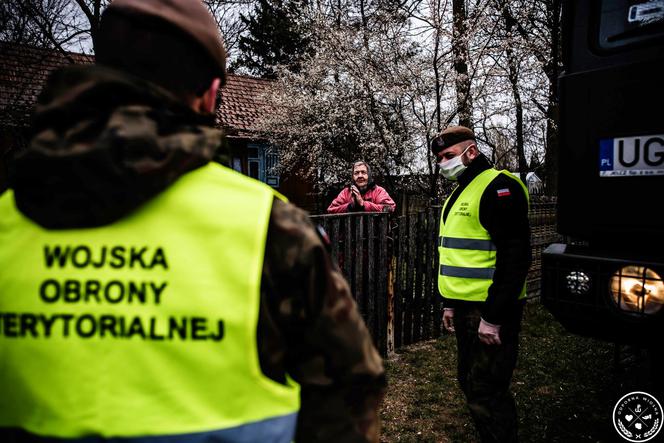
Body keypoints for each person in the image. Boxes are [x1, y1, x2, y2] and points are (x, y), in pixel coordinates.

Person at [0, 1, 386, 441]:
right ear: (210, 92)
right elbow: (348, 390)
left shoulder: (7, 223)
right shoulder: (270, 227)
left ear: (102, 69)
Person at [431, 125, 531, 442]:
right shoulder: (462, 189)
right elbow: (458, 254)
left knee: (486, 389)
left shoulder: (499, 188)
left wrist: (493, 317)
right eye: (439, 158)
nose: (443, 163)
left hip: (489, 311)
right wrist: (451, 303)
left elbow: (515, 258)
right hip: (466, 310)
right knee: (470, 381)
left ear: (471, 151)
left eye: (448, 155)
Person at [327, 161, 396, 213]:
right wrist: (350, 206)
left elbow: (390, 208)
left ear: (368, 175)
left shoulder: (378, 191)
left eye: (363, 172)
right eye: (356, 173)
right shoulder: (346, 192)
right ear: (353, 176)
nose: (360, 176)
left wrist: (363, 204)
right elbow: (331, 210)